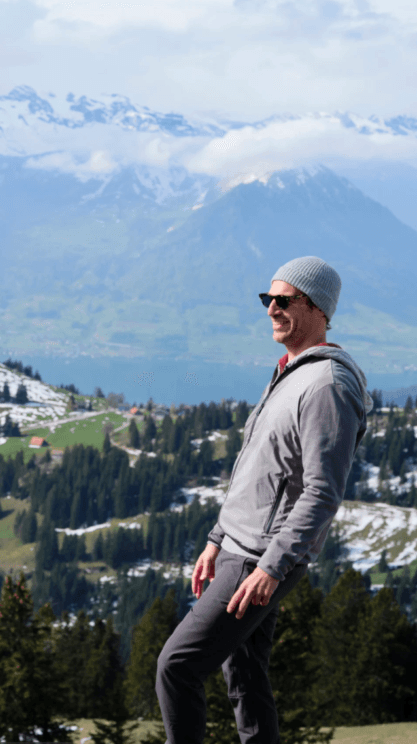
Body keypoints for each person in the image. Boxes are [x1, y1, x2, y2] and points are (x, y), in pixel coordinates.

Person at [156, 256, 372, 744]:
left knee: (177, 666)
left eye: (284, 300)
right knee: (245, 676)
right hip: (243, 548)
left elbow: (322, 491)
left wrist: (271, 567)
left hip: (260, 556)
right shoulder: (292, 372)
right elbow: (258, 467)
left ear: (318, 308)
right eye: (267, 299)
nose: (272, 309)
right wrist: (217, 538)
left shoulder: (327, 386)